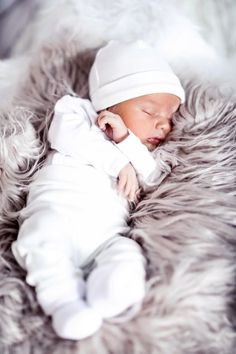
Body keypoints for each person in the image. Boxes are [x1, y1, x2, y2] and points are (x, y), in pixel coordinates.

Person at [11, 40, 185, 340]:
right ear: (110, 104)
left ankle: (111, 292)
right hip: (57, 214)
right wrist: (117, 162)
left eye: (169, 117)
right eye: (149, 110)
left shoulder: (139, 153)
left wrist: (126, 143)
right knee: (41, 235)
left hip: (105, 236)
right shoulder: (77, 113)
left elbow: (153, 177)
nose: (163, 125)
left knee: (126, 252)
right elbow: (65, 135)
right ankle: (64, 301)